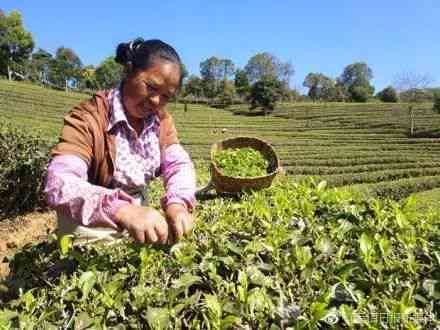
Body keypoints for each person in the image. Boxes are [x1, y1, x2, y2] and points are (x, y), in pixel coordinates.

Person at [44, 38, 196, 245]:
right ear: (128, 70)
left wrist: (178, 203)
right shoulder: (88, 118)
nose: (155, 101)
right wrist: (121, 209)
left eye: (166, 96)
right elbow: (60, 182)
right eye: (151, 87)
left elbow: (178, 164)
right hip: (89, 222)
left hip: (139, 218)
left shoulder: (161, 121)